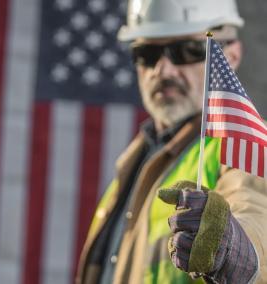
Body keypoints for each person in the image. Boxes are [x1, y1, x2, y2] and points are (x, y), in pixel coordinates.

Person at [76, 0, 267, 283]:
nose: (162, 70)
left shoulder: (241, 145)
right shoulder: (135, 161)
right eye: (147, 54)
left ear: (232, 55)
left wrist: (239, 250)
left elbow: (255, 207)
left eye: (185, 51)